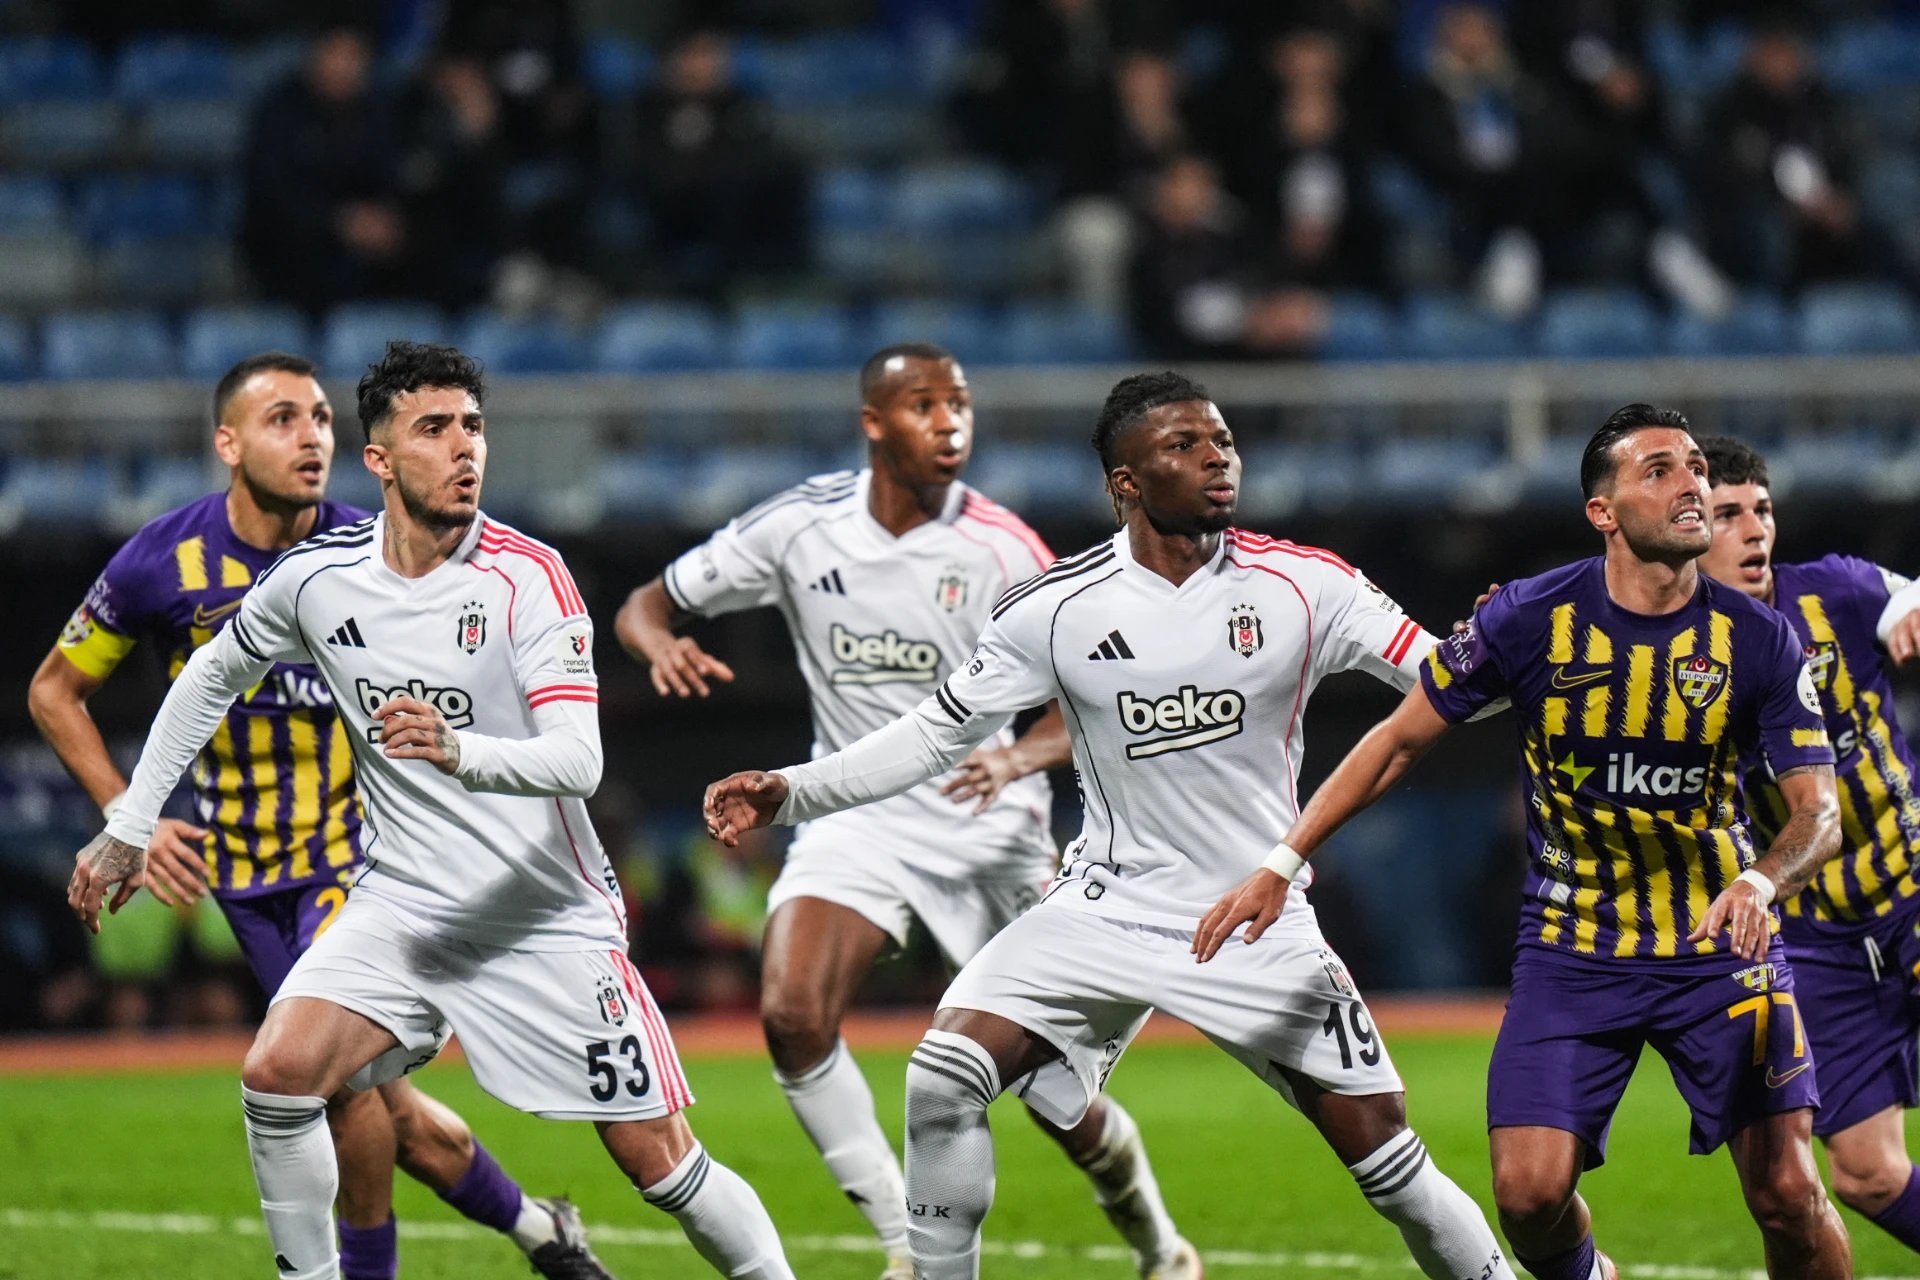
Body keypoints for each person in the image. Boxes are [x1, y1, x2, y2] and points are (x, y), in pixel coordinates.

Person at [704, 370, 1517, 1280]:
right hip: (1104, 909)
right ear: (1125, 481)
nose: (1217, 458)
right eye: (1185, 445)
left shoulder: (1305, 584)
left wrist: (1493, 653)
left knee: (1388, 1163)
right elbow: (937, 734)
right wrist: (792, 790)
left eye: (1223, 442)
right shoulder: (1055, 608)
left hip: (1252, 917)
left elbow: (1443, 688)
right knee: (943, 1077)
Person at [64, 342, 793, 1280]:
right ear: (380, 459)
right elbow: (209, 677)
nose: (464, 448)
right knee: (278, 1078)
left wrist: (459, 750)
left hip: (539, 912)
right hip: (404, 902)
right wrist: (129, 825)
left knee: (659, 1161)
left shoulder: (528, 576)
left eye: (474, 427)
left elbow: (580, 762)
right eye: (435, 428)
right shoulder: (319, 578)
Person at [1195, 404, 1852, 1279]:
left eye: (1695, 466)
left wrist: (1761, 883)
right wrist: (1283, 861)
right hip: (1574, 952)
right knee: (1528, 1198)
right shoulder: (1529, 616)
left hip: (1715, 949)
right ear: (1602, 511)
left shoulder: (1760, 639)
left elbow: (1818, 814)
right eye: (1659, 470)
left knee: (1788, 1195)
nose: (1692, 484)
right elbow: (1397, 741)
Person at [615, 344, 1197, 1280]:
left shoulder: (1006, 549)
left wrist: (1018, 753)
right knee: (792, 1015)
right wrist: (658, 647)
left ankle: (1160, 1246)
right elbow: (646, 605)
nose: (949, 421)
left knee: (1057, 1097)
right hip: (856, 816)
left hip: (989, 833)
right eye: (924, 404)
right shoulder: (799, 527)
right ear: (873, 422)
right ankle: (905, 1243)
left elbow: (1099, 691)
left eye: (959, 403)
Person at [1697, 434, 1920, 1250]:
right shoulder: (1673, 652)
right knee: (1864, 1174)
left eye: (1761, 509)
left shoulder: (1836, 592)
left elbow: (1905, 599)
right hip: (1818, 941)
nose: (1754, 528)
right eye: (1727, 514)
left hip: (1912, 888)